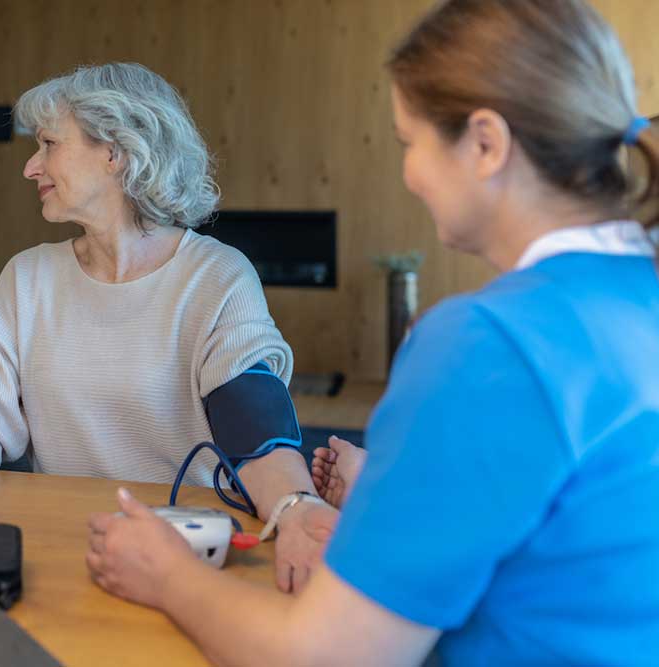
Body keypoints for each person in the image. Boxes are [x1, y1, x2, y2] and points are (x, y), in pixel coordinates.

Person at [85, 1, 659, 664]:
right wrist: (401, 494)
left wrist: (167, 573)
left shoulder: (487, 343)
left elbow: (321, 656)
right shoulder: (633, 296)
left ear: (485, 143)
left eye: (409, 143)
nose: (409, 174)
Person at [0, 63, 331, 591]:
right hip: (64, 546)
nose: (31, 167)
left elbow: (254, 427)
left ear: (115, 152)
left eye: (49, 144)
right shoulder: (28, 277)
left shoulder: (215, 276)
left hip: (184, 556)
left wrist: (295, 507)